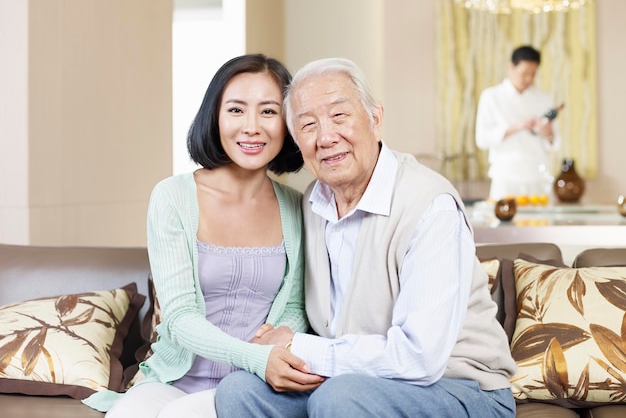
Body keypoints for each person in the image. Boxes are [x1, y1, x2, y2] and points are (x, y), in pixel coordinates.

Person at [214, 58, 517, 417]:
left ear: (375, 119)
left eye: (340, 116)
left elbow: (421, 358)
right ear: (297, 141)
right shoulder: (313, 204)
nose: (325, 137)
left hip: (460, 387)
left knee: (341, 398)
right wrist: (271, 345)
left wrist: (298, 344)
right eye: (308, 125)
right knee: (239, 391)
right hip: (350, 381)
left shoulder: (430, 205)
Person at [83, 54, 323, 417]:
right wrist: (257, 356)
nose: (252, 127)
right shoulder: (172, 196)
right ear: (215, 117)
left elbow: (294, 305)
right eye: (236, 110)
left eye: (269, 112)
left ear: (287, 123)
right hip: (172, 379)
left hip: (249, 385)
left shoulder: (297, 206)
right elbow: (179, 316)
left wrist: (275, 346)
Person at [475, 45, 561, 201]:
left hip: (538, 176)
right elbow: (482, 139)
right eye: (524, 73)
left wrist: (547, 132)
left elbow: (555, 143)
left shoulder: (544, 98)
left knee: (541, 223)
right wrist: (516, 127)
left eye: (533, 74)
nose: (529, 79)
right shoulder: (491, 96)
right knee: (504, 222)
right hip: (505, 176)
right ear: (511, 67)